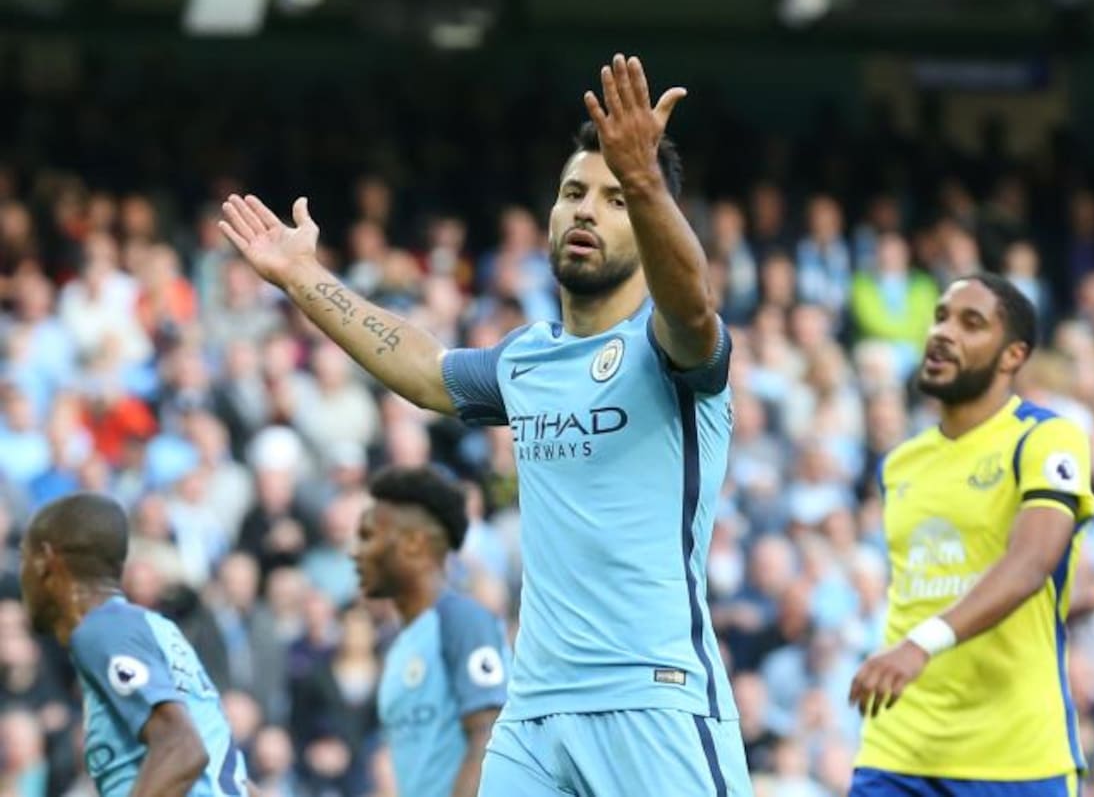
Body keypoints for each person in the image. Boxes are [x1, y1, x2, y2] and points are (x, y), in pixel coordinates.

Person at [220, 53, 752, 795]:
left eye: (615, 197)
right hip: (535, 710)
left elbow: (693, 304)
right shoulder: (526, 360)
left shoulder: (671, 349)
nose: (587, 210)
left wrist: (645, 179)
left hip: (652, 696)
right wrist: (302, 277)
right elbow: (422, 368)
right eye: (573, 192)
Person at [847, 273, 1094, 796]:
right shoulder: (898, 464)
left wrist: (920, 645)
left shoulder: (1047, 437)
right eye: (940, 316)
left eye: (971, 322)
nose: (943, 332)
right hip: (897, 747)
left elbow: (1031, 563)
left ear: (1012, 356)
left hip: (1014, 758)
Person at [18, 492, 253, 797]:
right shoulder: (156, 630)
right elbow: (230, 776)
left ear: (47, 560)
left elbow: (183, 748)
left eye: (25, 557)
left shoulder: (102, 631)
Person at [353, 465, 508, 797]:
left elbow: (489, 739)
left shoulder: (463, 621)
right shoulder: (400, 646)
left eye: (369, 536)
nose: (357, 552)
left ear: (413, 544)